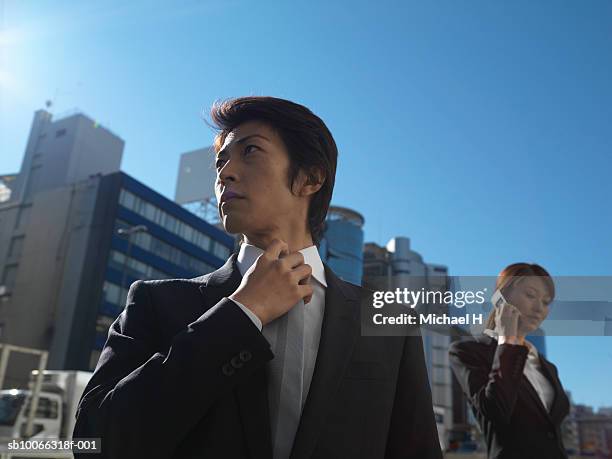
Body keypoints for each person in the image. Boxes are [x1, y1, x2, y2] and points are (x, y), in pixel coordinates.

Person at [73, 96, 442, 459]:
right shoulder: (157, 303)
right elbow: (94, 442)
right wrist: (241, 313)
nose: (224, 173)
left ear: (310, 177)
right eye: (221, 161)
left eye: (250, 151)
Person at [449, 263, 570, 459]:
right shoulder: (467, 352)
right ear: (500, 298)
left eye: (546, 302)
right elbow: (495, 410)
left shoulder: (547, 367)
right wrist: (508, 341)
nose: (540, 308)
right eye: (530, 295)